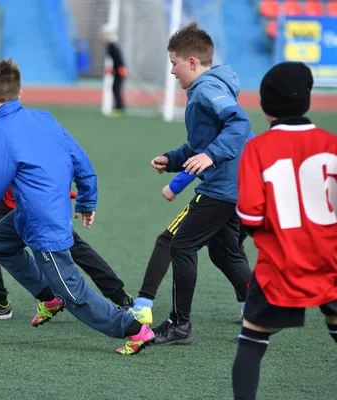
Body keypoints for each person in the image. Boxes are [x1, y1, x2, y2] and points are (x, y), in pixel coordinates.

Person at [0, 58, 154, 355]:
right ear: (20, 93)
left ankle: (134, 330)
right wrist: (87, 199)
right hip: (30, 214)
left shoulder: (0, 132)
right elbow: (81, 162)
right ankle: (48, 298)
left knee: (74, 293)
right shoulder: (45, 118)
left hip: (43, 224)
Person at [0, 77, 134, 321]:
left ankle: (121, 298)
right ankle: (2, 302)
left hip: (34, 202)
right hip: (6, 201)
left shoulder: (9, 127)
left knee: (74, 249)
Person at [231, 62, 337, 400]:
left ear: (264, 106)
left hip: (280, 263)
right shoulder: (331, 144)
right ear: (308, 101)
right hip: (331, 260)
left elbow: (248, 214)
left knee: (252, 338)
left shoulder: (258, 149)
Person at [149, 22, 252, 345]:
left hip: (224, 185)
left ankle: (180, 325)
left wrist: (211, 156)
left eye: (174, 64)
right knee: (225, 253)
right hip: (237, 182)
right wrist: (173, 159)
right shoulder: (207, 87)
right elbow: (200, 145)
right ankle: (264, 313)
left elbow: (240, 122)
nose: (172, 72)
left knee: (180, 245)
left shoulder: (207, 89)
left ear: (192, 62)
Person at [132, 132, 255, 326]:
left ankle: (143, 306)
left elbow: (200, 158)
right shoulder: (242, 127)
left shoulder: (218, 122)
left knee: (170, 242)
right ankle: (252, 308)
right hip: (250, 200)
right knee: (230, 251)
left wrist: (174, 186)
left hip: (221, 198)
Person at [102, 25, 128, 118]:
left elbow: (118, 60)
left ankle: (119, 109)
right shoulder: (110, 45)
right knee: (115, 88)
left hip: (119, 71)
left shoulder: (112, 46)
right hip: (118, 70)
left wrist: (120, 70)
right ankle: (117, 108)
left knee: (116, 89)